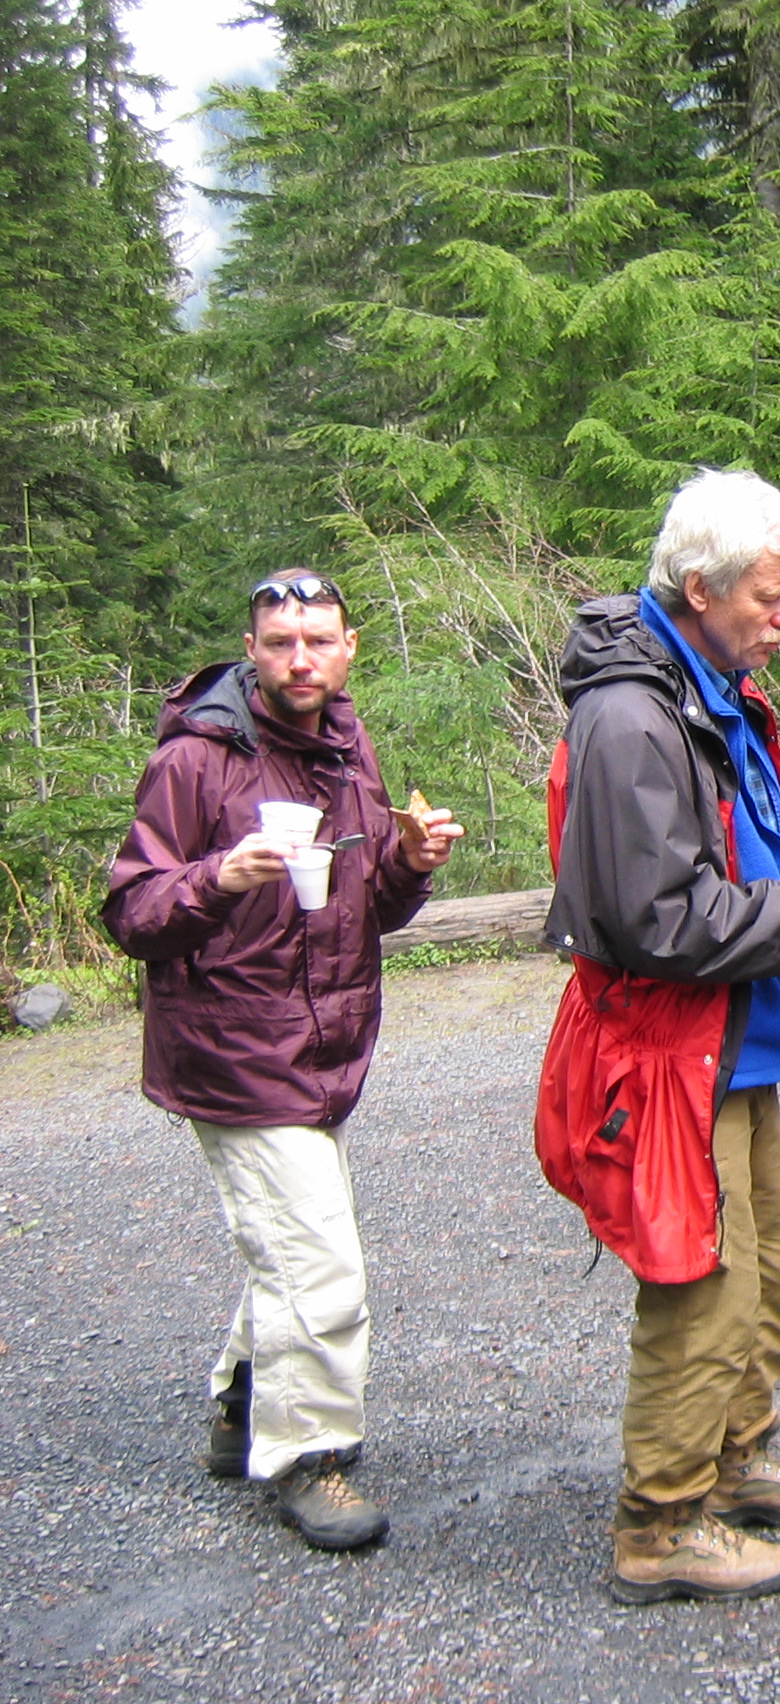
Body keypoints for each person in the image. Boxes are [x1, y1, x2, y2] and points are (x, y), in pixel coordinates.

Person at [536, 469, 780, 1605]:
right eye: (770, 597)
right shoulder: (630, 719)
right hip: (671, 1051)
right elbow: (656, 920)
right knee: (702, 1292)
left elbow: (743, 829)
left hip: (736, 1046)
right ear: (699, 588)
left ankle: (734, 1463)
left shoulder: (707, 686)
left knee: (776, 1274)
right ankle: (658, 1525)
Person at [103, 574, 464, 1551]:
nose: (300, 659)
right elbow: (132, 913)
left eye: (317, 641)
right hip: (231, 1046)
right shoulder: (197, 758)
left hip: (321, 1043)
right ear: (252, 651)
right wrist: (220, 875)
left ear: (348, 649)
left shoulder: (347, 745)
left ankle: (240, 1412)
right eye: (279, 643)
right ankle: (309, 1456)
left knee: (293, 1243)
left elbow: (365, 906)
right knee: (319, 1264)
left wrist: (410, 863)